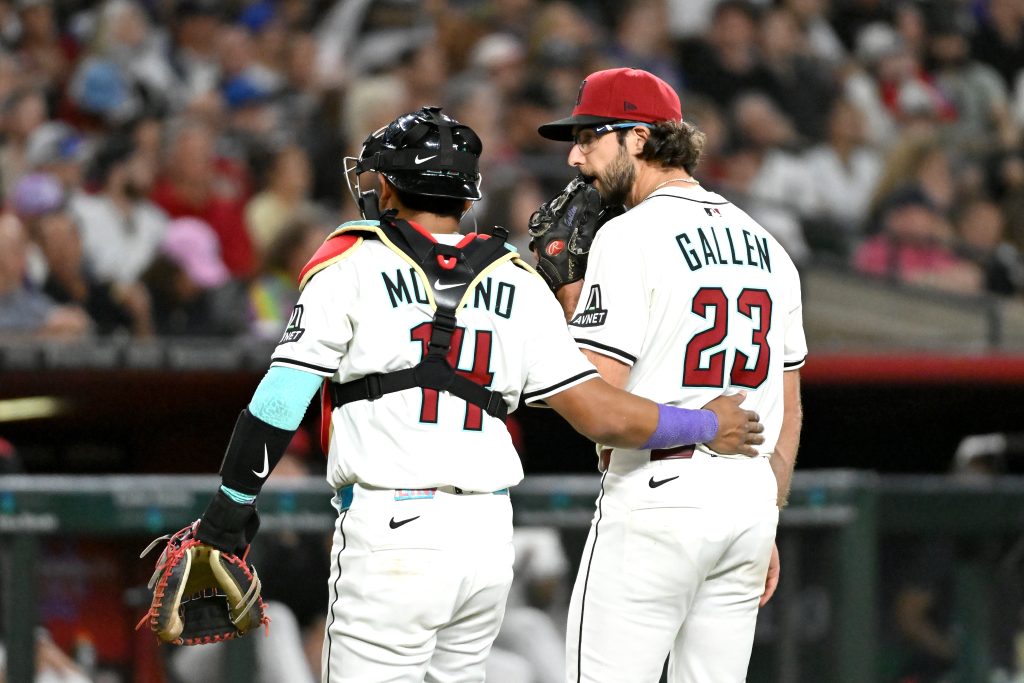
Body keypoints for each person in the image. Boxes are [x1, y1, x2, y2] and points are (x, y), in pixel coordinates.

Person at [184, 106, 765, 682]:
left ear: (387, 186)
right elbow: (600, 413)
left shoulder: (349, 263)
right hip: (486, 539)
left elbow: (280, 400)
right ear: (466, 196)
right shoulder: (518, 278)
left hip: (393, 529)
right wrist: (706, 425)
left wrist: (225, 516)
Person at [534, 67, 806, 682]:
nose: (576, 157)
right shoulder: (771, 245)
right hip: (748, 505)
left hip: (658, 496)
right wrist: (768, 508)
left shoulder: (629, 235)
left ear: (637, 138)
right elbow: (789, 407)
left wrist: (565, 290)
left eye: (589, 137)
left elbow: (592, 392)